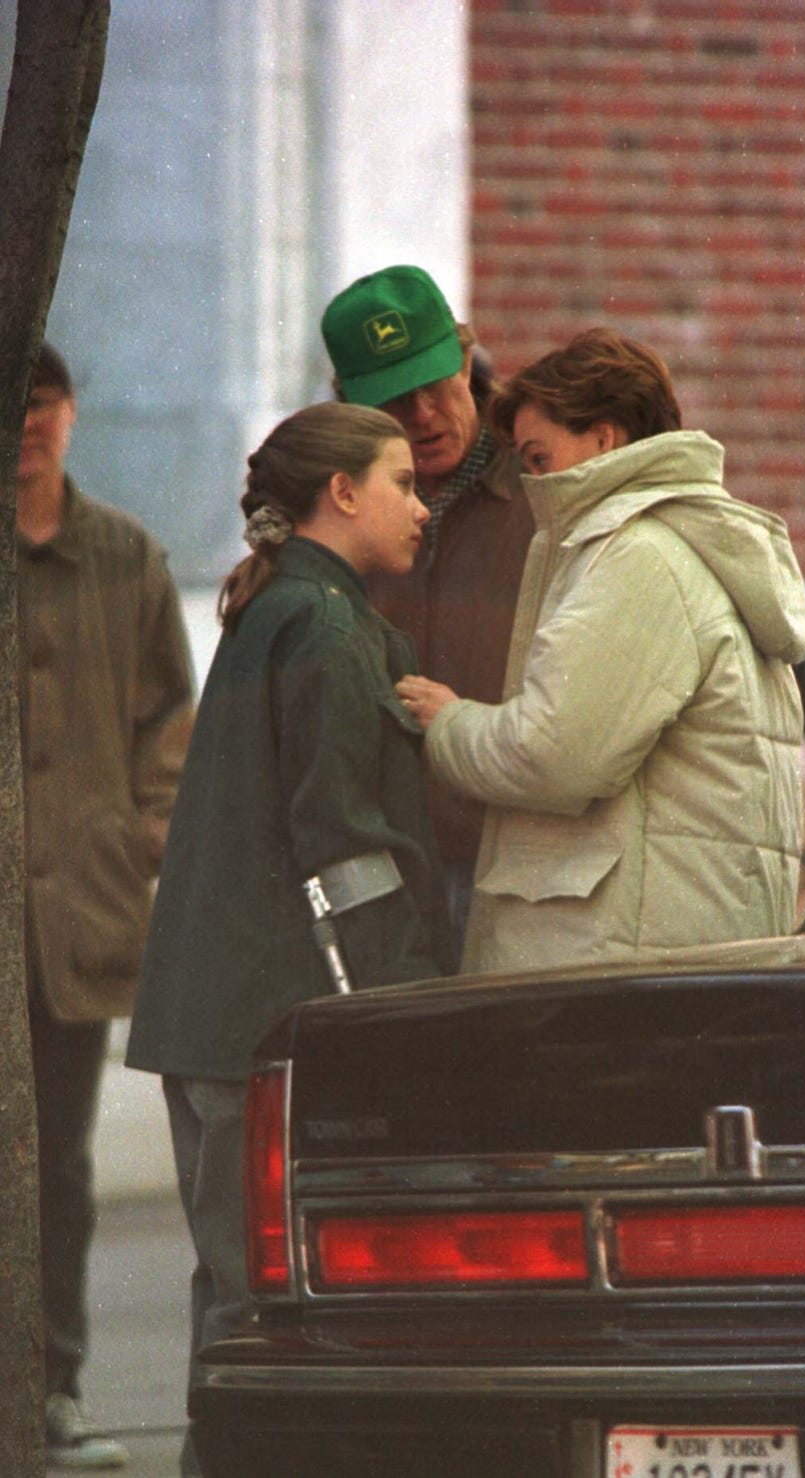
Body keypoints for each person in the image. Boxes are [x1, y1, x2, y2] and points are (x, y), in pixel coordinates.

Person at [125, 400, 453, 1477]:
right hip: (271, 1019)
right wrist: (404, 1007)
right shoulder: (326, 626)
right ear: (341, 493)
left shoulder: (278, 612)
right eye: (400, 480)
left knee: (231, 1283)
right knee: (265, 1295)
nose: (420, 503)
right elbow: (344, 848)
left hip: (216, 1010)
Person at [397, 328, 805, 974]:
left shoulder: (638, 557)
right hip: (662, 954)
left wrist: (447, 724)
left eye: (538, 458)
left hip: (618, 962)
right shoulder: (679, 544)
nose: (533, 484)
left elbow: (555, 754)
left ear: (603, 437)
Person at [17, 342, 194, 1470]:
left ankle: (54, 1389)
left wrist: (139, 837)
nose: (28, 426)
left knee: (59, 1174)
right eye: (12, 409)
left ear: (74, 414)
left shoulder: (124, 555)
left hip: (73, 922)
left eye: (43, 405)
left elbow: (168, 728)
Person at [320, 264, 535, 956]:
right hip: (385, 860)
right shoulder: (329, 502)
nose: (422, 417)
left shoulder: (547, 483)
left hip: (516, 858)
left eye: (434, 388)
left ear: (466, 359)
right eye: (392, 402)